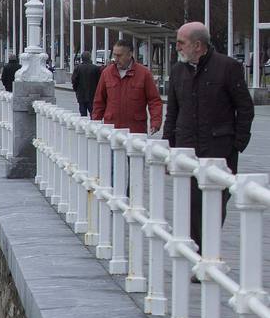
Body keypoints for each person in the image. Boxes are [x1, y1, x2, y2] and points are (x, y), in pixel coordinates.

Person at [164, 21, 255, 250]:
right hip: (187, 148)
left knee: (216, 202)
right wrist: (168, 148)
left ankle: (208, 252)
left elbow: (244, 107)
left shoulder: (228, 67)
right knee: (191, 204)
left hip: (219, 149)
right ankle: (200, 254)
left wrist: (238, 143)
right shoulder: (177, 71)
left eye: (181, 43)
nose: (178, 48)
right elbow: (172, 112)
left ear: (197, 45)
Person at [91, 38, 163, 137]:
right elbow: (99, 101)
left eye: (119, 55)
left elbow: (154, 100)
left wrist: (155, 122)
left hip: (136, 131)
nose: (115, 59)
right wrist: (95, 123)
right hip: (112, 130)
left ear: (130, 54)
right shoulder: (107, 73)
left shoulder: (144, 74)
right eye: (114, 55)